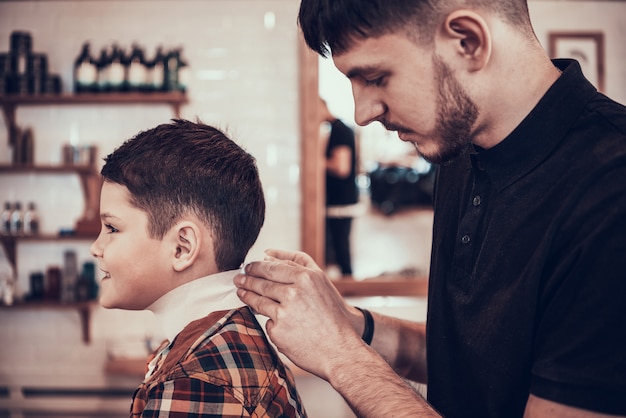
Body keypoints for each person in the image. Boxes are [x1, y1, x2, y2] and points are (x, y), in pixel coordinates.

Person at [234, 1, 626, 417]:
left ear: (467, 42)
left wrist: (342, 356)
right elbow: (475, 361)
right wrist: (350, 324)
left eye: (376, 77)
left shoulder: (611, 189)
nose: (362, 113)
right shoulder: (459, 150)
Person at [90, 119, 306, 417]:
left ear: (182, 247)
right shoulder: (224, 339)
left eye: (111, 228)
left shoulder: (196, 381)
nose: (95, 247)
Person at [320, 97, 359, 276]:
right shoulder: (335, 130)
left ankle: (348, 284)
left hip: (341, 200)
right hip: (339, 199)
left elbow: (341, 168)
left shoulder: (340, 130)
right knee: (338, 245)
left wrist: (317, 161)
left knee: (341, 246)